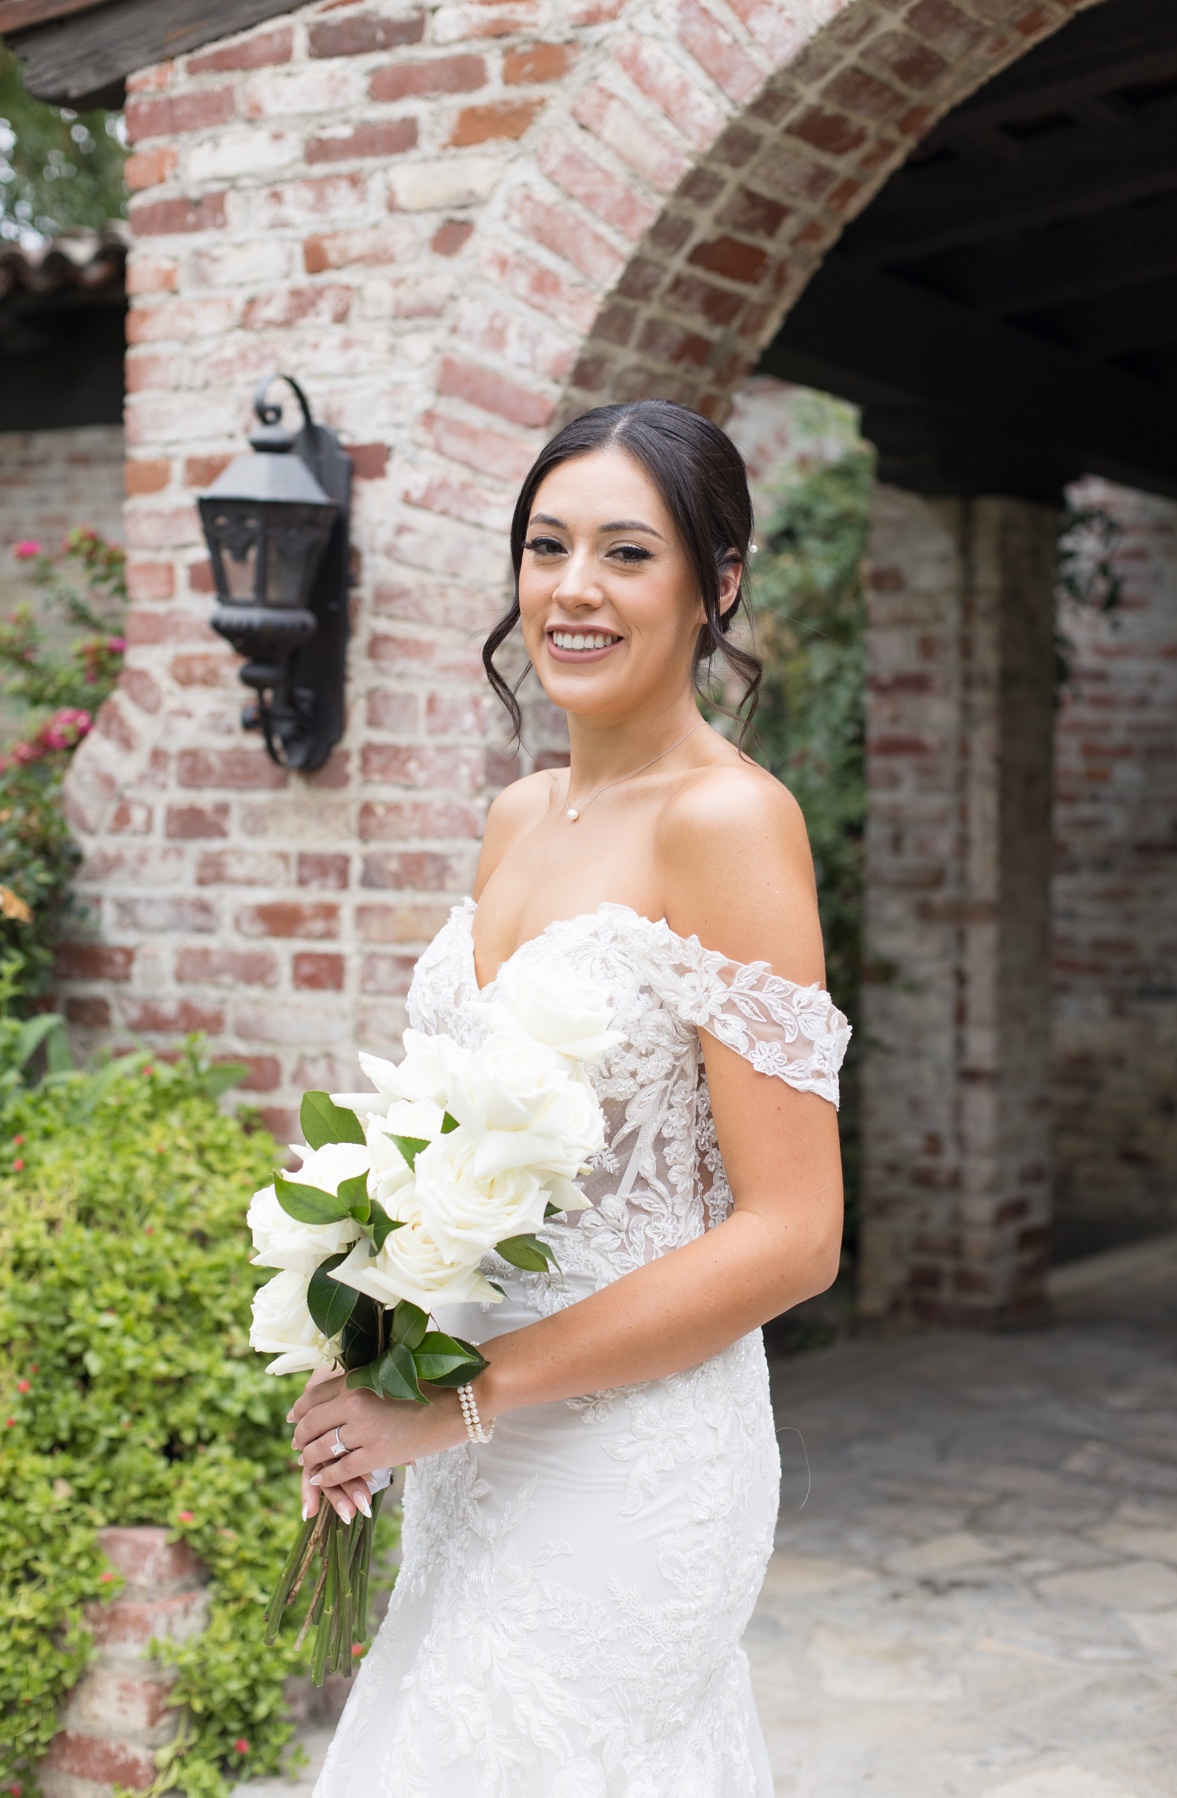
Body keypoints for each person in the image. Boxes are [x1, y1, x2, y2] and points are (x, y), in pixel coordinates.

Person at [292, 399, 849, 1797]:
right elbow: (460, 1137)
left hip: (630, 1463)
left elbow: (795, 1232)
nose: (573, 590)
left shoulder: (728, 822)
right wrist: (377, 1338)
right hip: (470, 1449)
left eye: (626, 552)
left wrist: (460, 1399)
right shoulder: (518, 815)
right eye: (546, 547)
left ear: (718, 581)